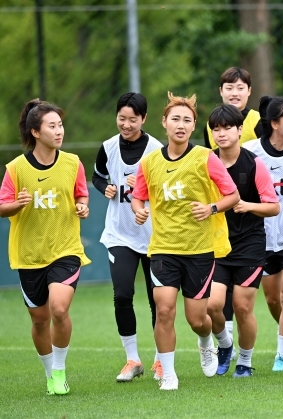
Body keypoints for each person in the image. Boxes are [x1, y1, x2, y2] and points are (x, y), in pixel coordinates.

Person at [131, 92, 240, 390]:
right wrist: (140, 211)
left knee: (196, 318)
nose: (180, 125)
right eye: (175, 119)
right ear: (164, 122)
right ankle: (168, 373)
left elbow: (233, 195)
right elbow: (139, 197)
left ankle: (208, 339)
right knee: (164, 308)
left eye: (187, 120)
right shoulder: (150, 161)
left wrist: (212, 207)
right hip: (163, 248)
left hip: (199, 249)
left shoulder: (206, 157)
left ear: (194, 127)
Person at [0, 99, 91, 395]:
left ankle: (60, 370)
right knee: (40, 321)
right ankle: (49, 373)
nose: (59, 131)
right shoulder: (15, 168)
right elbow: (3, 207)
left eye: (60, 125)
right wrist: (16, 204)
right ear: (36, 132)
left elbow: (81, 195)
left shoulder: (73, 163)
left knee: (59, 309)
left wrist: (82, 205)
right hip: (29, 254)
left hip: (65, 248)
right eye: (52, 126)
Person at [92, 93, 163, 382]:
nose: (127, 124)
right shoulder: (108, 147)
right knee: (122, 295)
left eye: (133, 119)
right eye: (122, 118)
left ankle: (161, 360)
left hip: (155, 237)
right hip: (119, 233)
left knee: (158, 301)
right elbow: (98, 176)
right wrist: (105, 188)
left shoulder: (157, 150)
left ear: (143, 119)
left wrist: (147, 185)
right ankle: (132, 359)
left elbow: (169, 188)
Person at [206, 104, 279, 378]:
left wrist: (248, 205)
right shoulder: (205, 162)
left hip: (249, 244)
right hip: (216, 243)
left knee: (242, 306)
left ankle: (245, 362)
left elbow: (273, 206)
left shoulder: (254, 163)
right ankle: (225, 346)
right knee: (212, 306)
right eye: (216, 129)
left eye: (227, 128)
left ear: (239, 130)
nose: (221, 133)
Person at [245, 96, 283, 372]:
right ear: (274, 123)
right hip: (263, 235)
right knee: (271, 298)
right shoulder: (251, 152)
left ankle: (281, 355)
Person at [203, 67, 263, 150]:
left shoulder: (259, 120)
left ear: (249, 91)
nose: (235, 93)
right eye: (229, 88)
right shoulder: (210, 124)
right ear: (221, 91)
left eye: (240, 88)